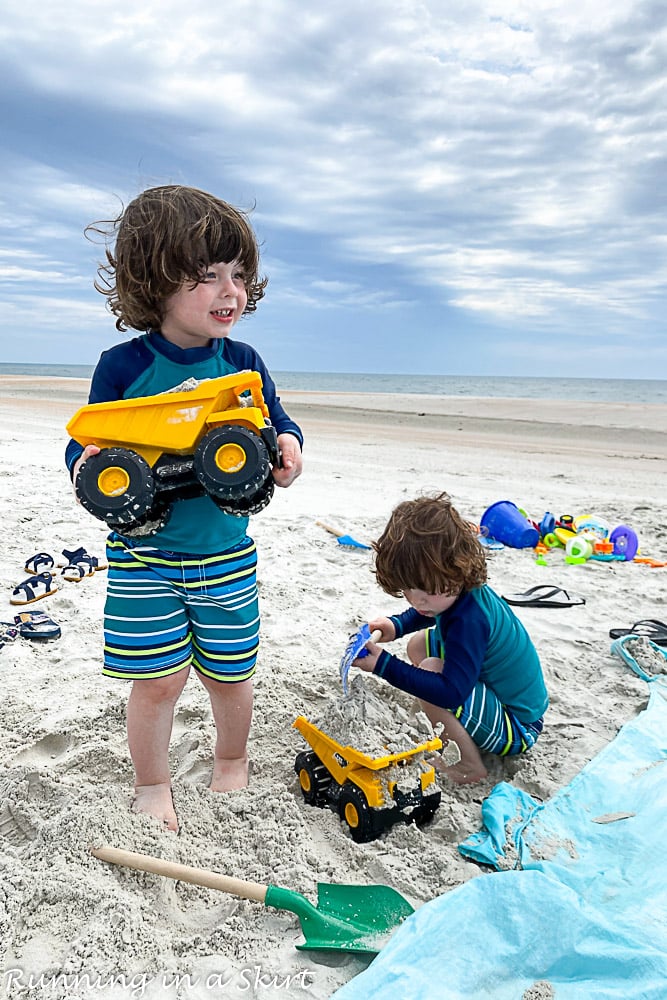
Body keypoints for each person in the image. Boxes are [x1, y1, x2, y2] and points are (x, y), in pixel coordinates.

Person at [65, 185, 303, 831]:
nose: (231, 291)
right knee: (158, 681)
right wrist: (88, 467)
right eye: (207, 276)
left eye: (238, 275)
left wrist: (285, 445)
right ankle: (151, 783)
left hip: (225, 556)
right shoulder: (122, 367)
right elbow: (87, 445)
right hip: (144, 556)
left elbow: (277, 421)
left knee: (230, 677)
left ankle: (231, 759)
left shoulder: (243, 363)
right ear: (155, 282)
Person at [353, 493, 548, 784]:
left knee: (431, 674)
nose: (416, 601)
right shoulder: (455, 592)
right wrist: (395, 625)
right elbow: (428, 610)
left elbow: (449, 692)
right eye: (407, 590)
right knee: (417, 644)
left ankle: (469, 765)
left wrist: (384, 665)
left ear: (455, 572)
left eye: (424, 591)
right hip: (501, 697)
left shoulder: (470, 620)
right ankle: (459, 725)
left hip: (517, 725)